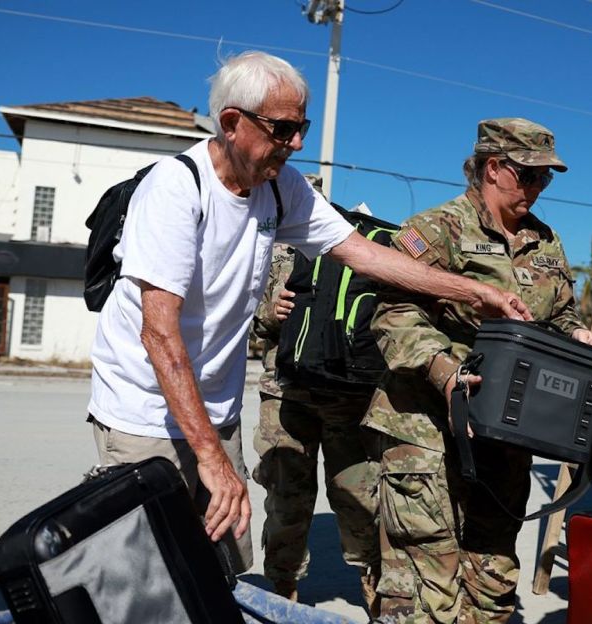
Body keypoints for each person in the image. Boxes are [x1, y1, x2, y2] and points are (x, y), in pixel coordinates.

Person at [86, 51, 531, 574]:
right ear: (232, 123)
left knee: (220, 565)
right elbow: (159, 334)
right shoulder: (175, 188)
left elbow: (364, 253)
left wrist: (473, 293)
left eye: (303, 127)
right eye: (283, 128)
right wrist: (210, 457)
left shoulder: (280, 188)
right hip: (143, 411)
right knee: (147, 577)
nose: (297, 142)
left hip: (213, 411)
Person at [361, 118, 592, 623]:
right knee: (424, 585)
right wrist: (446, 372)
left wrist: (574, 335)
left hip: (504, 434)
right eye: (530, 175)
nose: (538, 188)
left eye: (546, 179)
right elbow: (393, 314)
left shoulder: (546, 241)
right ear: (494, 168)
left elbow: (557, 314)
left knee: (492, 578)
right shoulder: (437, 229)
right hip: (422, 428)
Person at [251, 237, 380, 612]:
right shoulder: (276, 254)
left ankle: (374, 583)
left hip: (348, 399)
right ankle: (283, 585)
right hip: (286, 398)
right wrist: (270, 311)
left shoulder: (358, 246)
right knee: (286, 498)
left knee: (360, 498)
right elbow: (248, 319)